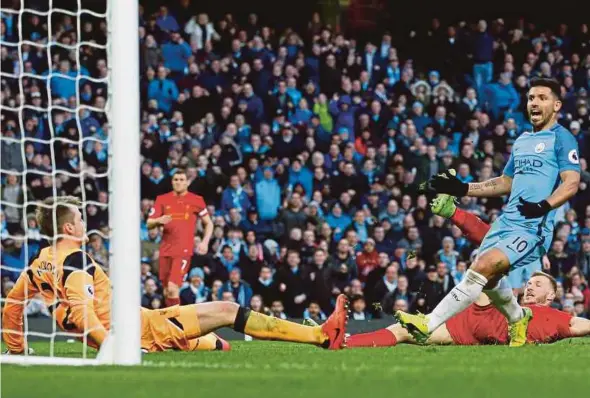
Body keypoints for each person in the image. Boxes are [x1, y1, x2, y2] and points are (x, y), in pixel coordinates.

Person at [1, 196, 348, 356]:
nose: (83, 221)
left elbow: (11, 306)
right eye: (79, 217)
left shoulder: (40, 263)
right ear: (68, 227)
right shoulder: (76, 260)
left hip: (140, 326)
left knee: (215, 343)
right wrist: (114, 348)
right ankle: (320, 334)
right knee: (227, 309)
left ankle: (214, 344)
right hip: (142, 329)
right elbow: (83, 311)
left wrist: (16, 350)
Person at [397, 77, 581, 347]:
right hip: (508, 220)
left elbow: (572, 182)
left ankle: (428, 323)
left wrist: (543, 206)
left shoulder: (562, 138)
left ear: (556, 105)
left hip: (533, 228)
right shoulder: (522, 140)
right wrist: (463, 188)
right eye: (531, 98)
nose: (535, 103)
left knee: (482, 267)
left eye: (542, 98)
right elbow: (505, 182)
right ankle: (518, 319)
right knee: (489, 280)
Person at [346, 272, 590, 348]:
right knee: (401, 330)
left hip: (475, 333)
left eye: (537, 284)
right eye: (528, 283)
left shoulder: (558, 318)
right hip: (472, 320)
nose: (529, 286)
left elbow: (580, 325)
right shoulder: (511, 304)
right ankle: (346, 341)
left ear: (551, 295)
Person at [147, 169, 213, 307]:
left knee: (172, 288)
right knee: (166, 291)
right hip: (165, 250)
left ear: (187, 182)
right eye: (175, 179)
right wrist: (159, 220)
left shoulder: (196, 200)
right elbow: (149, 223)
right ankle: (171, 320)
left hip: (183, 251)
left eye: (182, 179)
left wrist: (205, 242)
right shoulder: (162, 199)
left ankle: (175, 323)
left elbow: (209, 223)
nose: (178, 182)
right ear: (172, 182)